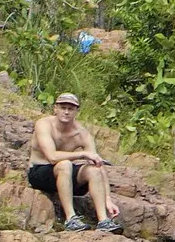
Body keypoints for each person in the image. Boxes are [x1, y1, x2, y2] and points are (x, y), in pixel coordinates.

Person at [27, 93, 120, 232]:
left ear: (76, 111)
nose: (66, 112)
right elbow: (51, 156)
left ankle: (103, 220)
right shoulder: (44, 124)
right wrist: (82, 153)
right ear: (55, 109)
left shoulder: (82, 133)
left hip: (67, 176)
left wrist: (108, 198)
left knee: (93, 170)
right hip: (40, 172)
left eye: (70, 109)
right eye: (63, 107)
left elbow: (98, 164)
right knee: (65, 164)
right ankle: (71, 218)